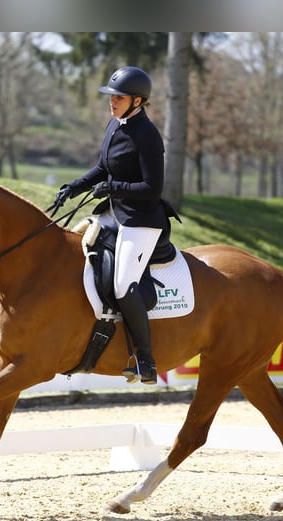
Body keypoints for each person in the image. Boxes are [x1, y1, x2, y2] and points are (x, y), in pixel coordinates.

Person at [54, 66, 179, 384]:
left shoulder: (148, 136)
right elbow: (102, 167)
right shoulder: (114, 125)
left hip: (142, 221)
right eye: (111, 97)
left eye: (119, 98)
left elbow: (152, 187)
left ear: (138, 100)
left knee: (124, 284)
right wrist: (75, 186)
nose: (112, 102)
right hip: (114, 213)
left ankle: (146, 361)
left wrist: (114, 188)